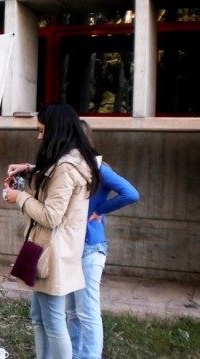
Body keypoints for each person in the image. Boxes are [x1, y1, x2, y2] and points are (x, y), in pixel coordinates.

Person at [4, 103, 100, 359]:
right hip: (49, 251)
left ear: (55, 131)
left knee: (54, 322)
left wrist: (20, 198)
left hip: (53, 254)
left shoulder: (66, 169)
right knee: (39, 317)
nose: (38, 136)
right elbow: (53, 176)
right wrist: (28, 168)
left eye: (41, 130)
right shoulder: (69, 162)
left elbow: (51, 215)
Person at [64, 120, 139, 359]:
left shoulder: (99, 170)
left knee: (87, 311)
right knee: (72, 311)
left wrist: (101, 210)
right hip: (71, 247)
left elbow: (131, 193)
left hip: (90, 248)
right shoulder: (69, 168)